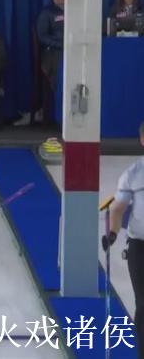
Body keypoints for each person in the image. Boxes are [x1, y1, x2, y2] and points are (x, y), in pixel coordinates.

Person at [101, 121, 144, 359]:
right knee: (143, 303)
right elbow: (117, 209)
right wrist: (113, 234)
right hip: (140, 246)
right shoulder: (133, 174)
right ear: (142, 140)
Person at [36, 0, 64, 126]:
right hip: (53, 53)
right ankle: (58, 117)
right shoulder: (47, 13)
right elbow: (42, 37)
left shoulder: (75, 10)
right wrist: (61, 44)